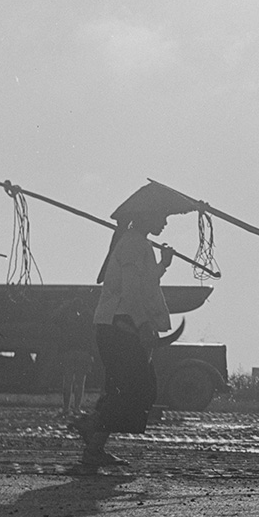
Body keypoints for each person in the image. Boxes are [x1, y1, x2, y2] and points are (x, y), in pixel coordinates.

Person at [73, 183, 194, 467]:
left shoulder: (138, 244)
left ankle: (94, 438)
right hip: (120, 328)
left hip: (121, 327)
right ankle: (92, 432)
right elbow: (130, 292)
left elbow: (144, 285)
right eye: (161, 217)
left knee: (126, 388)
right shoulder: (132, 244)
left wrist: (163, 265)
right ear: (147, 216)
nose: (164, 222)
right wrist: (142, 327)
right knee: (136, 388)